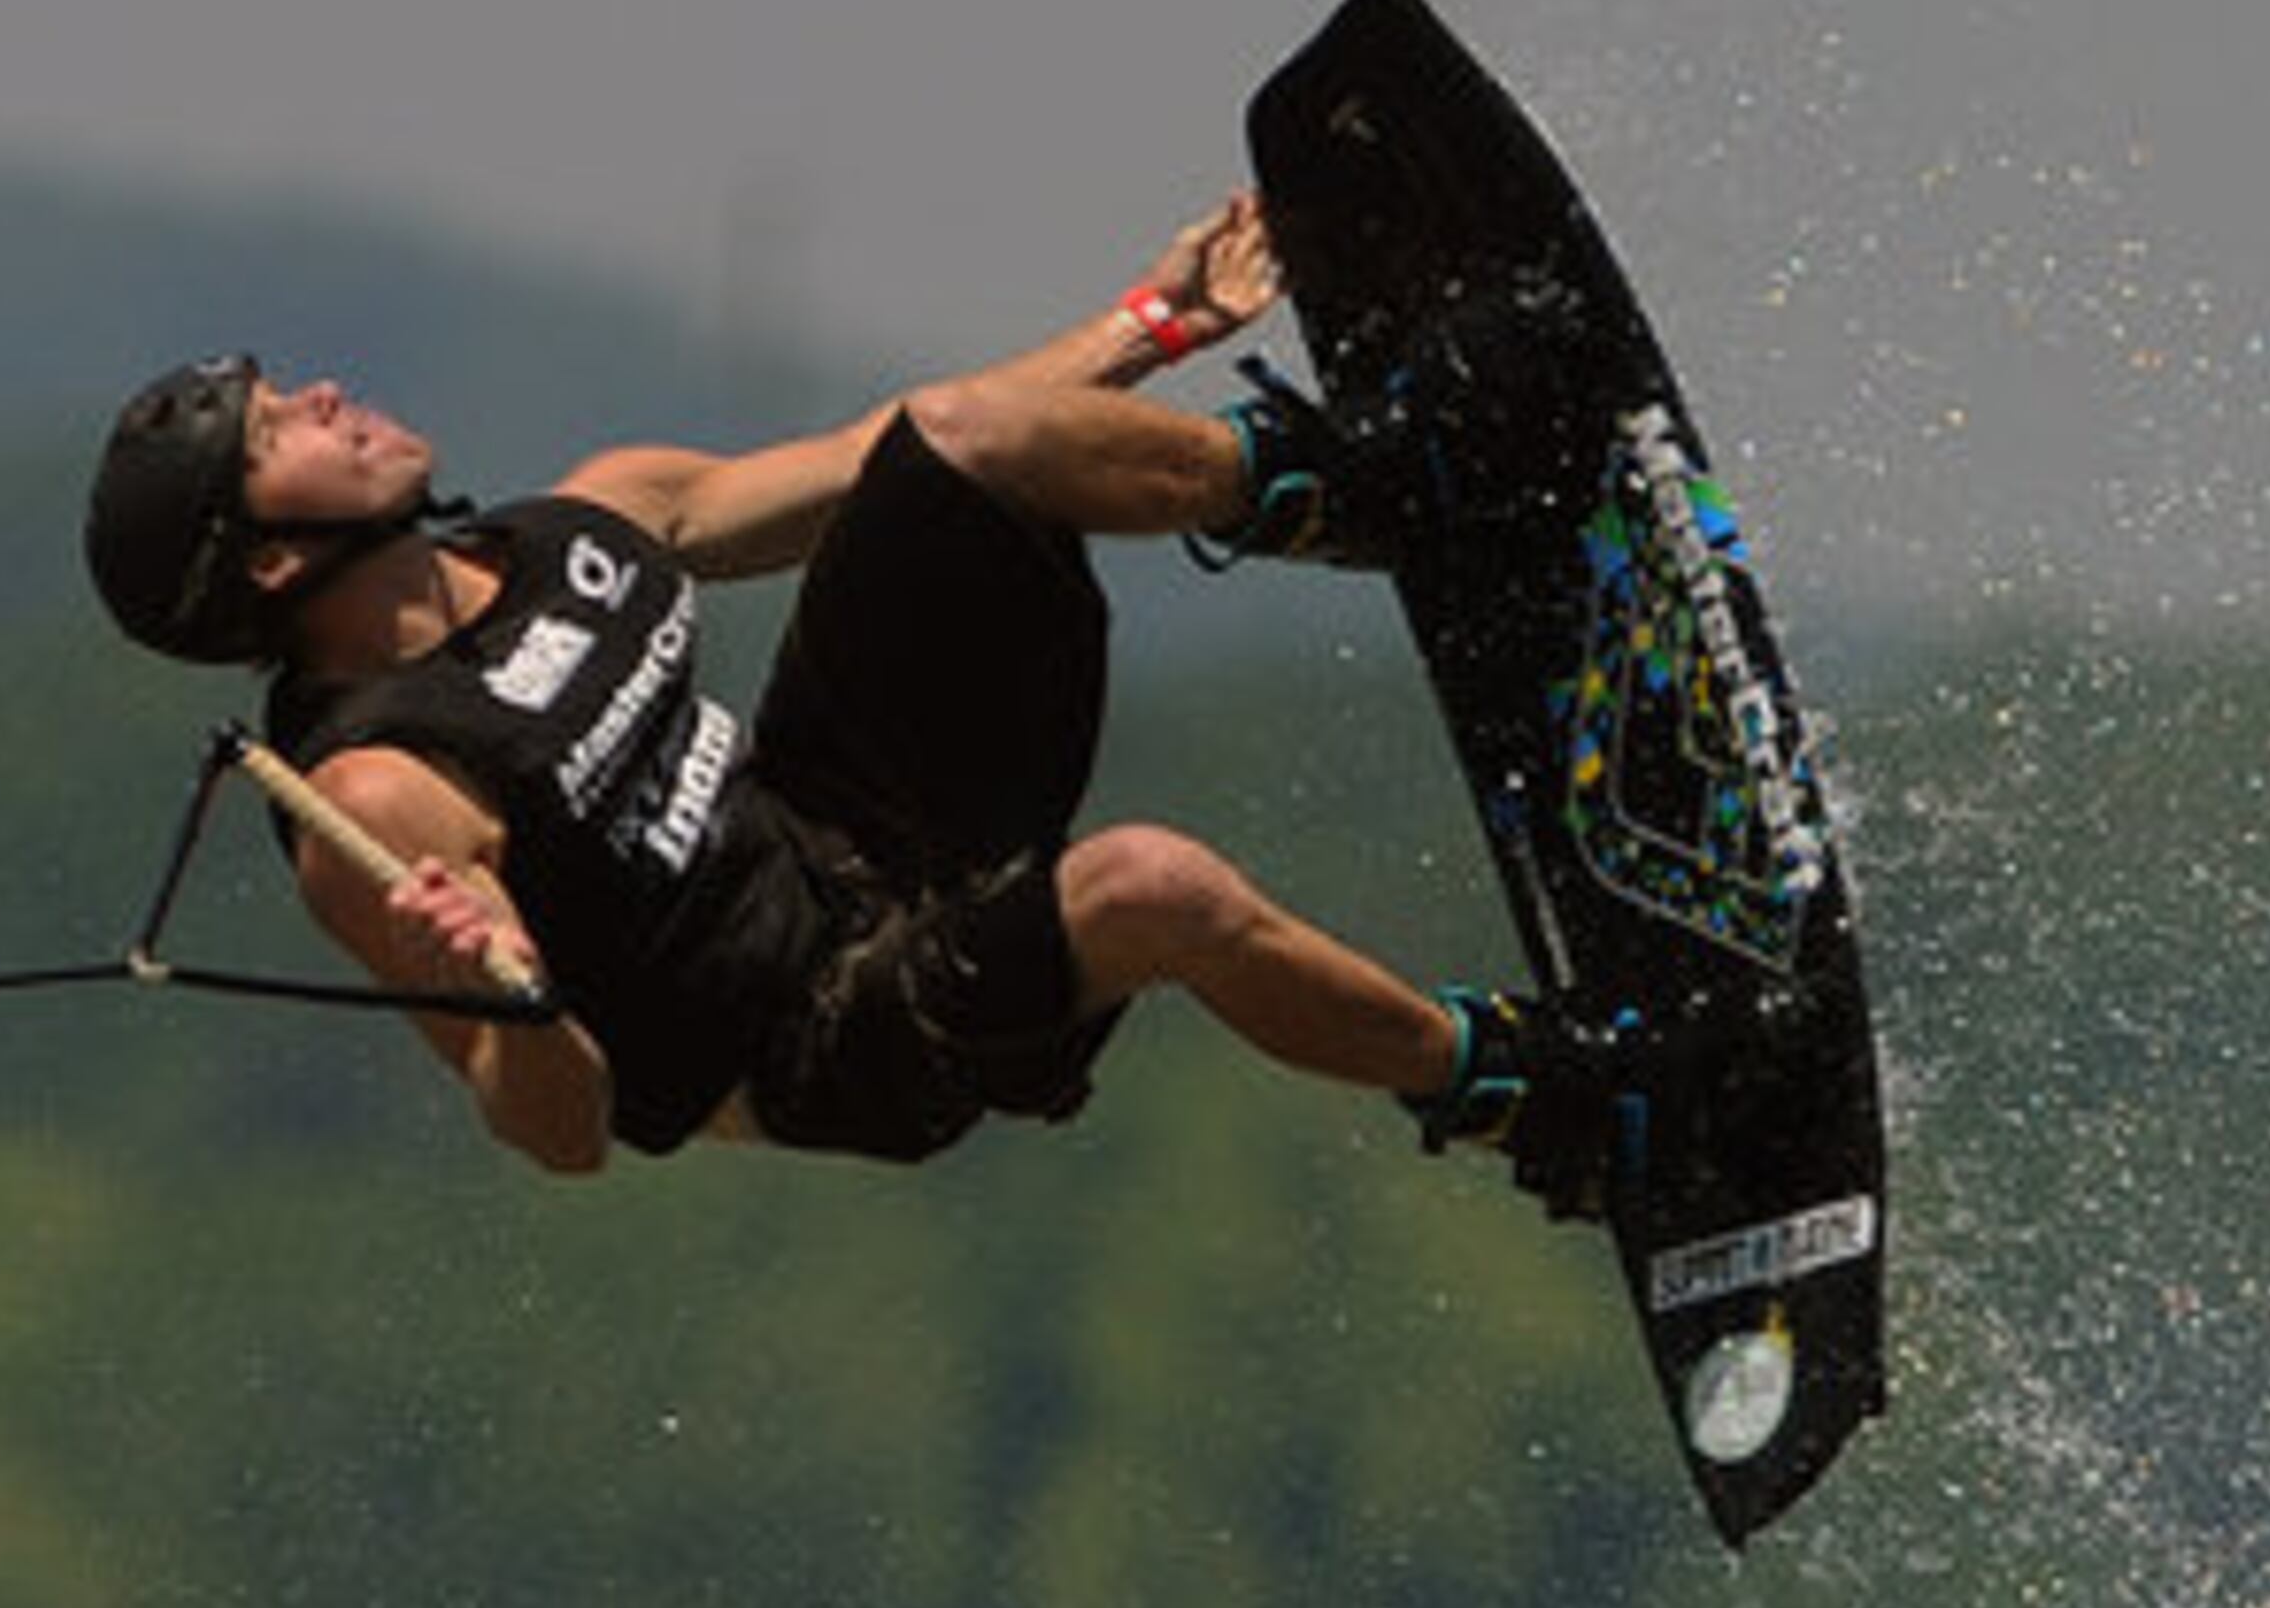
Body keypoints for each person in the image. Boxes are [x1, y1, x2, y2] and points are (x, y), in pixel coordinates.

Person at [82, 194, 1613, 1209]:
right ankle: (1522, 1091)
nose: (330, 400)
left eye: (298, 388)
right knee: (1158, 886)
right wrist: (501, 993)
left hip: (862, 808)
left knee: (955, 431)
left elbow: (888, 454)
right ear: (273, 559)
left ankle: (1375, 495)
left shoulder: (579, 524)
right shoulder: (373, 798)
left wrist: (1156, 322)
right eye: (285, 428)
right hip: (826, 1034)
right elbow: (561, 1133)